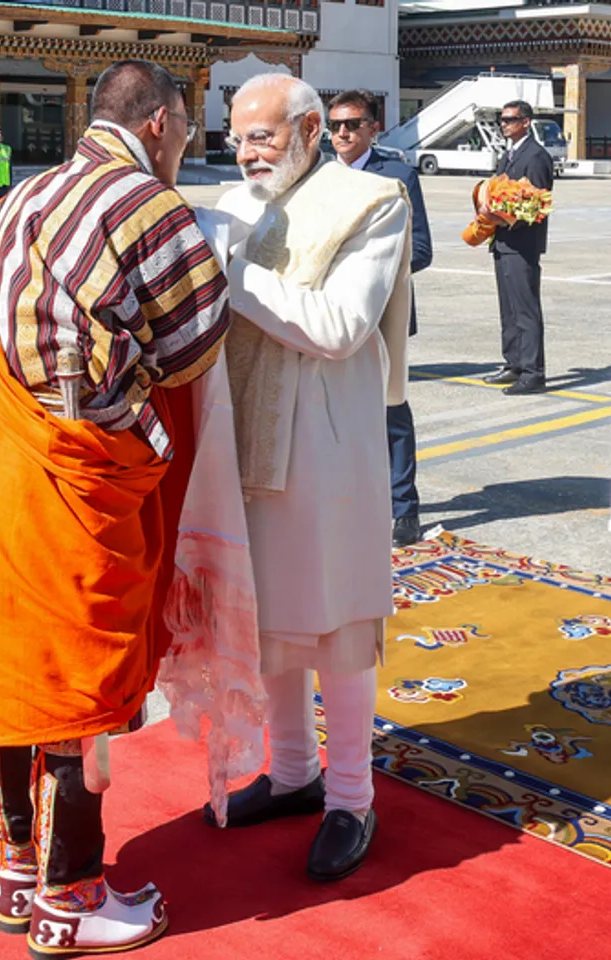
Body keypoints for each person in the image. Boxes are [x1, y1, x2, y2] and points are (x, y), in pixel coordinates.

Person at [0, 60, 228, 957]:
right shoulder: (148, 204)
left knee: (7, 671)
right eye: (190, 124)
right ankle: (72, 899)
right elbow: (193, 347)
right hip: (76, 475)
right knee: (75, 685)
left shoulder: (21, 194)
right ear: (163, 122)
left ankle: (18, 873)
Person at [205, 74, 411, 881]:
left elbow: (338, 325)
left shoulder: (370, 200)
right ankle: (292, 773)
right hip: (243, 438)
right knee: (271, 622)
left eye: (262, 135)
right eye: (236, 133)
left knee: (335, 623)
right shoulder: (232, 203)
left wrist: (231, 275)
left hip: (325, 446)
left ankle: (351, 798)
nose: (245, 150)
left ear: (310, 130)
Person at [328, 88, 433, 548]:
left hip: (383, 315)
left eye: (352, 124)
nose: (342, 134)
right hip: (328, 316)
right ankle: (347, 502)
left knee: (391, 413)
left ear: (373, 127)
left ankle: (404, 509)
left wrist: (367, 272)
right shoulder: (318, 178)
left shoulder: (397, 176)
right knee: (333, 414)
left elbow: (423, 249)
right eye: (334, 126)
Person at [482, 99, 554, 395]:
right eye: (502, 119)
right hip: (504, 241)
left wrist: (504, 219)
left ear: (525, 122)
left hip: (521, 243)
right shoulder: (509, 154)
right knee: (509, 309)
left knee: (525, 309)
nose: (503, 124)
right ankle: (514, 363)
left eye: (510, 119)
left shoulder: (535, 156)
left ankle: (533, 372)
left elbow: (536, 204)